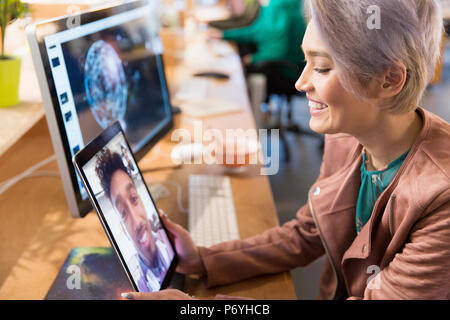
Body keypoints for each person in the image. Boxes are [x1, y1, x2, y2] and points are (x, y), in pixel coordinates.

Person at [122, 0, 449, 300]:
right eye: (305, 62)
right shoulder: (348, 135)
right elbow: (307, 234)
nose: (300, 82)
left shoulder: (440, 199)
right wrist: (203, 259)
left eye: (321, 68)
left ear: (390, 79)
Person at [95, 149, 171, 292]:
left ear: (142, 201)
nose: (136, 222)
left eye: (134, 199)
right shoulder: (137, 283)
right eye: (123, 213)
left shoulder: (170, 242)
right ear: (123, 229)